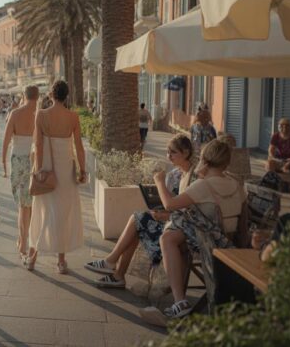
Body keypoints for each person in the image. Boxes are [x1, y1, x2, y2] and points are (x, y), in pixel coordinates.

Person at [85, 134, 196, 288]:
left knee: (138, 219)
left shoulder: (194, 178)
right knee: (138, 220)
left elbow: (187, 211)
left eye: (173, 152)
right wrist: (160, 211)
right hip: (171, 221)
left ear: (185, 152)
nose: (168, 156)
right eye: (167, 152)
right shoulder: (174, 175)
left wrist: (163, 205)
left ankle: (113, 266)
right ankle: (116, 272)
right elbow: (168, 204)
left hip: (180, 230)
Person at [155, 139, 245, 319]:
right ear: (226, 162)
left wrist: (159, 182)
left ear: (203, 159)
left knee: (167, 239)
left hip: (209, 243)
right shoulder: (236, 183)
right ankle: (177, 297)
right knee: (175, 236)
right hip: (231, 240)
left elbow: (169, 204)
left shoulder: (203, 185)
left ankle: (179, 301)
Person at [27, 80, 87, 274]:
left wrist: (37, 170)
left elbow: (38, 144)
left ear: (51, 95)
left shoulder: (42, 115)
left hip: (47, 167)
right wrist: (83, 170)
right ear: (66, 96)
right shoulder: (73, 117)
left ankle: (32, 257)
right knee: (62, 214)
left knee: (43, 210)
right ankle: (61, 261)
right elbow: (78, 146)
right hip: (66, 169)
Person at [1, 85, 39, 262]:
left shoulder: (15, 114)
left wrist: (2, 163)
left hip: (17, 161)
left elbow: (6, 140)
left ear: (24, 95)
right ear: (38, 97)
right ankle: (24, 240)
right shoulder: (41, 114)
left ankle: (23, 242)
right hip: (34, 161)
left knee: (22, 205)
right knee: (29, 205)